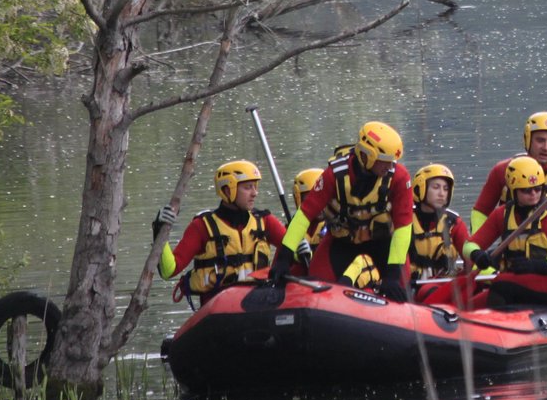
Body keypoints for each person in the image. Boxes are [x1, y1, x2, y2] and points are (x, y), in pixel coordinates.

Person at [264, 121, 415, 301]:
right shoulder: (334, 175)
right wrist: (284, 257)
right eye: (385, 162)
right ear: (368, 155)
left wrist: (392, 275)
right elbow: (304, 215)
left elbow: (403, 228)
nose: (390, 167)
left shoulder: (398, 177)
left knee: (400, 291)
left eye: (392, 162)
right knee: (317, 286)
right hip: (342, 242)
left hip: (384, 242)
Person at [153, 160, 289, 303]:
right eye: (248, 187)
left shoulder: (265, 221)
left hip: (258, 303)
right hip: (219, 307)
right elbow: (169, 270)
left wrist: (302, 249)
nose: (255, 193)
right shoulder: (202, 227)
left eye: (255, 187)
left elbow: (294, 250)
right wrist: (159, 231)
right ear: (227, 190)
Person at [463, 155, 547, 308]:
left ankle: (502, 322)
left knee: (501, 284)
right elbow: (468, 245)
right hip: (522, 280)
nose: (533, 194)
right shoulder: (502, 214)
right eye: (526, 190)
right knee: (470, 305)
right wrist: (477, 255)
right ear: (513, 191)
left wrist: (537, 265)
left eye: (538, 189)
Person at [469, 111, 547, 232]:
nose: (546, 147)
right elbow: (480, 212)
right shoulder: (502, 171)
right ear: (528, 139)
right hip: (509, 247)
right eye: (540, 140)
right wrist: (476, 246)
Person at [407, 162, 470, 284]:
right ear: (420, 188)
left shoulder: (454, 222)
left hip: (445, 285)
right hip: (413, 285)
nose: (442, 193)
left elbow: (469, 259)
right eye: (436, 187)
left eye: (446, 189)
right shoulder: (405, 220)